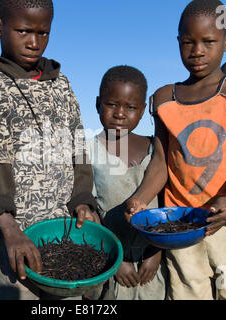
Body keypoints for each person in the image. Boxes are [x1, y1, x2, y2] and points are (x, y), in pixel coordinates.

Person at [124, 0, 226, 300]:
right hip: (182, 222)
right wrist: (139, 198)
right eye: (188, 42)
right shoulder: (165, 98)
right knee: (190, 291)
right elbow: (162, 163)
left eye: (209, 41)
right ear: (178, 42)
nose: (197, 51)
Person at [0, 0, 99, 300]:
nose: (34, 42)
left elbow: (78, 148)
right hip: (9, 235)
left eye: (43, 33)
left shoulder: (61, 85)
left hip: (61, 232)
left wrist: (83, 199)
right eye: (23, 31)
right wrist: (9, 229)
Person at [87, 65, 167, 300]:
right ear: (98, 104)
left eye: (131, 107)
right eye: (112, 104)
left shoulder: (156, 151)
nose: (120, 113)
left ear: (142, 111)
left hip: (152, 264)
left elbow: (167, 207)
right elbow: (89, 213)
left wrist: (157, 252)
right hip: (111, 261)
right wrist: (116, 259)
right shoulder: (88, 153)